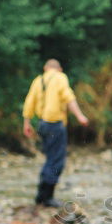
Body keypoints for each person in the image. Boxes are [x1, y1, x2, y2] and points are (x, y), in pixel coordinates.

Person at [21, 59, 89, 207]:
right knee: (56, 160)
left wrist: (26, 123)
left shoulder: (38, 80)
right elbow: (68, 97)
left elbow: (29, 102)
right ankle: (47, 197)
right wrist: (80, 116)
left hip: (42, 124)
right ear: (60, 69)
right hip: (55, 124)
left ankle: (41, 195)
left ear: (45, 68)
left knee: (50, 158)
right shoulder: (60, 78)